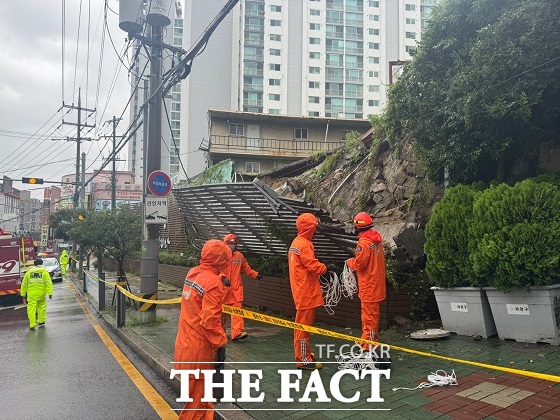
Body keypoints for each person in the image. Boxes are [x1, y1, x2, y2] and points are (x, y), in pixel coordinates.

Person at [174, 239, 232, 419]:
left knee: (204, 400)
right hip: (200, 352)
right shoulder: (213, 284)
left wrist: (220, 277)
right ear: (221, 260)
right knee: (196, 407)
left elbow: (204, 283)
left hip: (185, 347)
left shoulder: (193, 273)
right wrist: (222, 340)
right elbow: (210, 323)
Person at [288, 213, 334, 370]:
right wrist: (327, 267)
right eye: (314, 228)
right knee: (303, 328)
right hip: (306, 293)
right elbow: (313, 266)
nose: (315, 231)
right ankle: (303, 359)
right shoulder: (305, 245)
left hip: (302, 291)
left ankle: (304, 353)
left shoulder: (296, 242)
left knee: (302, 326)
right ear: (310, 228)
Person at [346, 212, 387, 353]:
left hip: (369, 286)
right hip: (376, 284)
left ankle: (370, 345)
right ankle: (366, 340)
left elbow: (359, 264)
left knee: (369, 317)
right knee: (370, 315)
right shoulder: (376, 240)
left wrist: (350, 262)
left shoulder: (364, 243)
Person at [222, 233, 262, 341]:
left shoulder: (239, 256)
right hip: (222, 290)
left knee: (237, 312)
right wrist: (222, 278)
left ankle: (237, 333)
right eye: (233, 244)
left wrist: (256, 275)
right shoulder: (221, 256)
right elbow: (215, 270)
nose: (235, 246)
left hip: (235, 290)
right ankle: (220, 334)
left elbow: (246, 268)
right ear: (227, 244)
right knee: (221, 314)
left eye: (236, 243)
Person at [21, 258, 53, 330]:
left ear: (34, 265)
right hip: (41, 294)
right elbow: (48, 283)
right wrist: (50, 293)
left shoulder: (29, 273)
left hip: (32, 294)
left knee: (31, 309)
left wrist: (23, 294)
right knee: (41, 307)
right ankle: (41, 321)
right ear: (42, 264)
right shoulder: (44, 272)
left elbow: (24, 284)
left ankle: (32, 324)